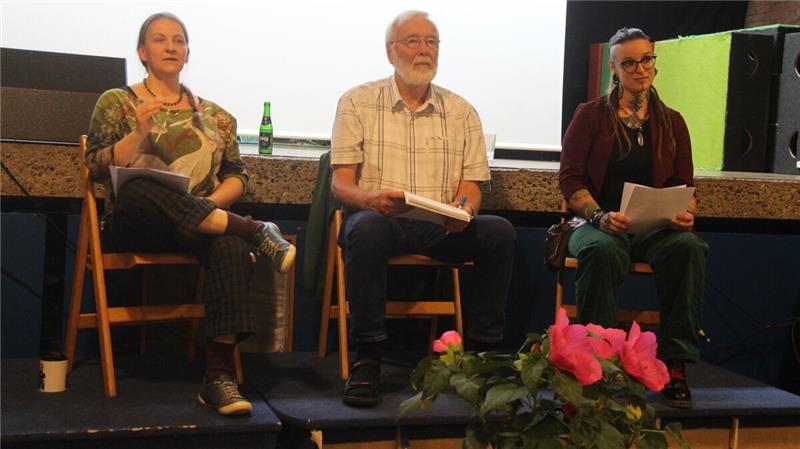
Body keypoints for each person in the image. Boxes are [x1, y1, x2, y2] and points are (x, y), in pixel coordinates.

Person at [86, 12, 296, 416]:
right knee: (137, 189)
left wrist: (207, 210)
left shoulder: (217, 116)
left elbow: (238, 176)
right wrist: (139, 134)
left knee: (231, 246)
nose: (170, 47)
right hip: (135, 222)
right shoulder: (117, 102)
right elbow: (96, 168)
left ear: (187, 53)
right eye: (160, 40)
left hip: (199, 224)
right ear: (142, 52)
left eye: (178, 40)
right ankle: (254, 230)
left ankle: (218, 379)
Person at [330, 10, 517, 407]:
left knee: (499, 232)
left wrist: (463, 209)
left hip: (440, 225)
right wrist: (369, 199)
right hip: (383, 218)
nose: (423, 51)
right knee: (364, 229)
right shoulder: (357, 101)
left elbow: (471, 185)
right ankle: (369, 355)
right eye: (412, 41)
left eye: (431, 42)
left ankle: (480, 355)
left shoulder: (462, 110)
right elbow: (341, 183)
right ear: (390, 51)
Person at [559, 27, 709, 409]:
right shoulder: (590, 115)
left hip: (653, 227)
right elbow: (570, 178)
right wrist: (599, 215)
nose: (640, 69)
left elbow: (683, 184)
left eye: (647, 60)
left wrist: (683, 213)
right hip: (595, 225)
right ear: (614, 67)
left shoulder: (672, 122)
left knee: (688, 248)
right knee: (603, 250)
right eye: (629, 62)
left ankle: (676, 363)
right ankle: (596, 366)